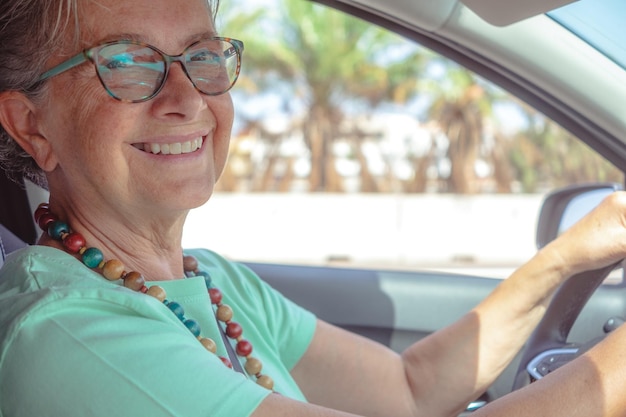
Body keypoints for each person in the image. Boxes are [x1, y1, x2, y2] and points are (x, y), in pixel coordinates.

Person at [1, 0, 626, 416]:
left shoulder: (210, 280)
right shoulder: (63, 332)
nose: (186, 97)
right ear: (31, 125)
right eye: (127, 64)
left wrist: (569, 253)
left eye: (203, 56)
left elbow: (410, 390)